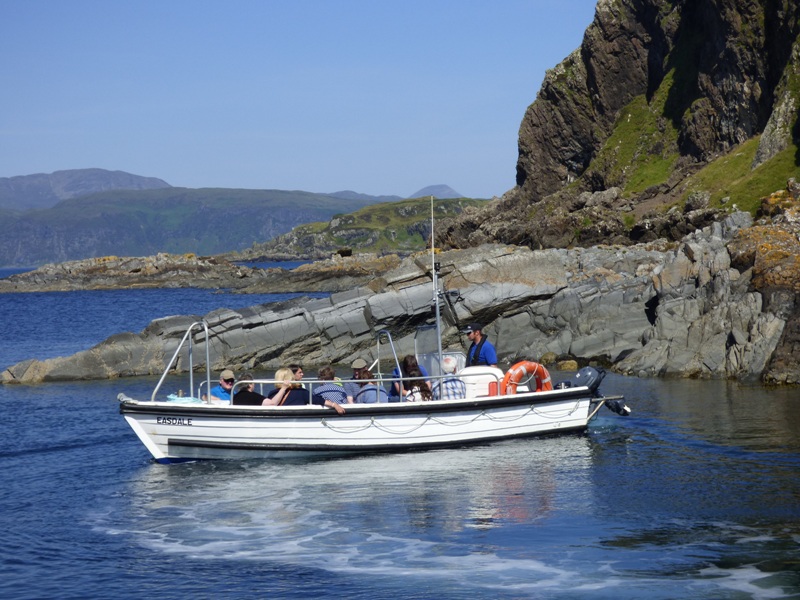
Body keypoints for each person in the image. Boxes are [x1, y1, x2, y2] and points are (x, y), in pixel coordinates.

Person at [265, 367, 345, 414]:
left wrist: (283, 388)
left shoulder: (272, 393)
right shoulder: (301, 392)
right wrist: (334, 405)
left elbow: (270, 404)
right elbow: (319, 400)